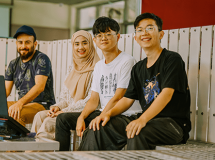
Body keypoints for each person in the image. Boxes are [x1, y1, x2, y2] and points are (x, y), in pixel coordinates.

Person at [78, 13, 191, 151]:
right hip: (148, 120)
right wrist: (107, 114)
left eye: (150, 28)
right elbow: (127, 99)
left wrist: (142, 119)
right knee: (99, 127)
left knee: (137, 132)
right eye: (139, 30)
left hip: (173, 125)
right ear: (136, 37)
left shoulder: (172, 59)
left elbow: (166, 94)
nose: (144, 33)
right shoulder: (138, 68)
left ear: (161, 34)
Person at [55, 17, 141, 151]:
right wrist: (81, 117)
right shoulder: (99, 66)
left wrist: (100, 117)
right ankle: (62, 157)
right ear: (94, 40)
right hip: (103, 112)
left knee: (94, 128)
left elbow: (119, 97)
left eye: (108, 34)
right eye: (99, 35)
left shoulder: (127, 61)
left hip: (124, 115)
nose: (104, 38)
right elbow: (94, 99)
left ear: (118, 37)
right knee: (62, 119)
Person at [30, 30, 100, 139]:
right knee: (39, 116)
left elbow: (90, 100)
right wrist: (57, 107)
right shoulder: (72, 68)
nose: (80, 47)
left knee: (49, 122)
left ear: (91, 44)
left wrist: (63, 111)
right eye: (76, 44)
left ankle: (37, 154)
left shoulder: (98, 68)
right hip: (67, 111)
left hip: (85, 113)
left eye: (84, 43)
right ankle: (32, 150)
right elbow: (65, 98)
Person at [5, 25, 56, 126]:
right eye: (20, 42)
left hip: (42, 105)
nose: (23, 46)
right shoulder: (13, 64)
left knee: (15, 114)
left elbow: (39, 87)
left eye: (27, 42)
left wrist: (19, 103)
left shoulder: (41, 59)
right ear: (16, 44)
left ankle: (19, 141)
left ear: (35, 44)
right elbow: (6, 90)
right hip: (22, 104)